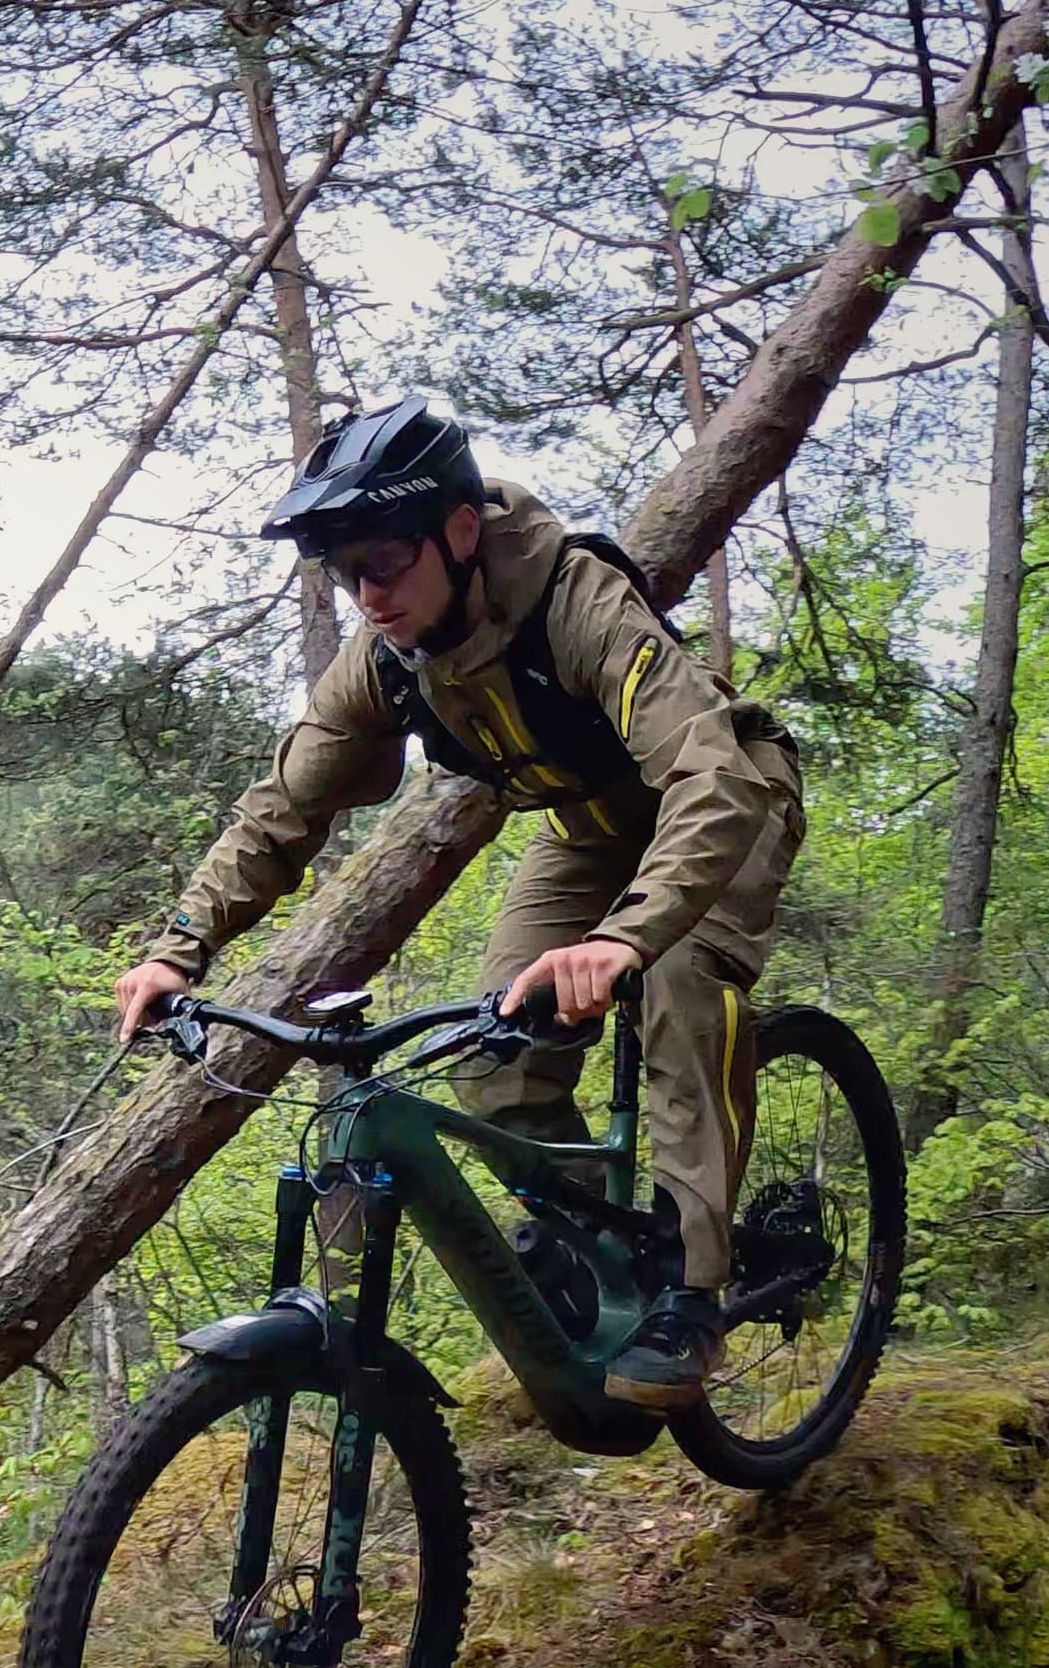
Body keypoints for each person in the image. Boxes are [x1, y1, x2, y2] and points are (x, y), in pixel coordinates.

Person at [109, 395, 806, 1409]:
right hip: (589, 830)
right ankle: (606, 1249)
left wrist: (623, 939)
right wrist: (180, 948)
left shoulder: (576, 601)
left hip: (726, 802)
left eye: (385, 564)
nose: (367, 596)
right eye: (345, 574)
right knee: (494, 1054)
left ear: (463, 531)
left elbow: (712, 776)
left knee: (682, 981)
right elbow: (285, 807)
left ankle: (693, 1295)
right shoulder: (386, 657)